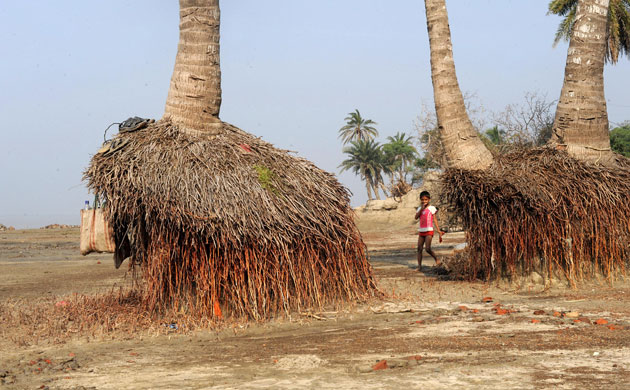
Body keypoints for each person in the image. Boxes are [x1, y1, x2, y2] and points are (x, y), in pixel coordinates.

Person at [414, 190, 444, 270]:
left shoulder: (432, 208)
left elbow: (434, 220)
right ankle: (419, 266)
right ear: (420, 200)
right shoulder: (419, 208)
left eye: (426, 199)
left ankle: (437, 259)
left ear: (429, 199)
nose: (424, 201)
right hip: (421, 231)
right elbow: (416, 217)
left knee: (427, 248)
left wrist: (438, 230)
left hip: (429, 231)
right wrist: (421, 209)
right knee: (419, 249)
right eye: (422, 200)